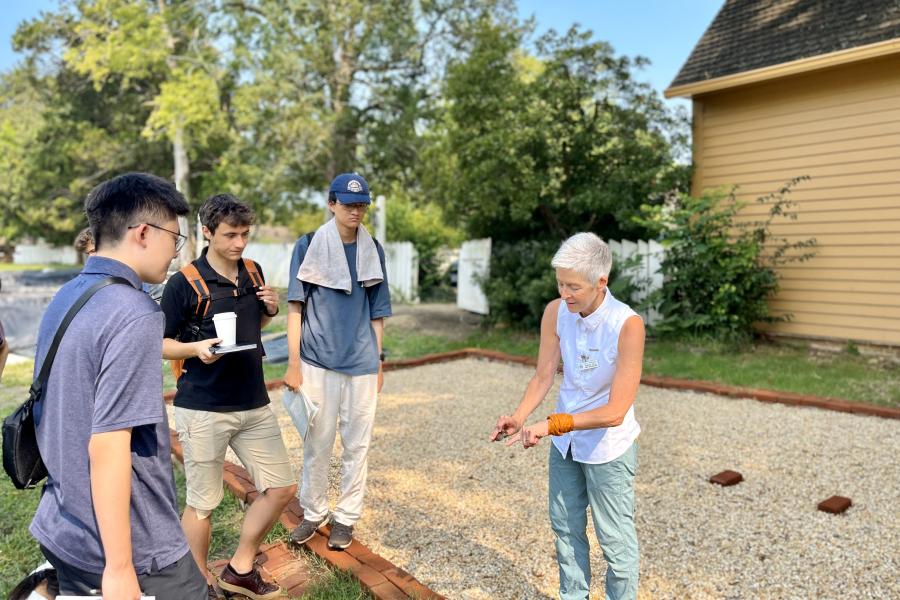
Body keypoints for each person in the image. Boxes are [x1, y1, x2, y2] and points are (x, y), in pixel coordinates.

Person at [29, 172, 208, 599]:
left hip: (64, 522)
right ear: (143, 233)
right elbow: (109, 442)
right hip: (133, 547)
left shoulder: (69, 294)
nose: (176, 253)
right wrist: (120, 568)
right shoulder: (136, 312)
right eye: (175, 239)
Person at [490, 232, 644, 600]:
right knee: (565, 528)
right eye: (560, 283)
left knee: (615, 542)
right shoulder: (556, 312)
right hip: (565, 445)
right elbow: (544, 374)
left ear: (601, 281)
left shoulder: (627, 325)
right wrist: (519, 415)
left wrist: (549, 425)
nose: (565, 294)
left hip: (608, 448)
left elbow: (615, 412)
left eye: (573, 286)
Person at [161, 194, 296, 600]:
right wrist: (193, 349)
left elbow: (254, 325)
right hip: (203, 407)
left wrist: (270, 309)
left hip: (254, 402)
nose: (240, 243)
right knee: (203, 504)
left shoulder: (253, 271)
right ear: (207, 232)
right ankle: (197, 582)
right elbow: (156, 342)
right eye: (230, 235)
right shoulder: (183, 283)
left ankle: (239, 568)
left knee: (282, 488)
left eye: (245, 234)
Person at [284, 172, 391, 550]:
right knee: (318, 442)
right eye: (348, 204)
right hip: (316, 362)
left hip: (362, 363)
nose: (355, 211)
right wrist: (293, 364)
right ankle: (313, 512)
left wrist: (379, 363)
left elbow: (377, 311)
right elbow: (295, 307)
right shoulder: (309, 244)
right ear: (332, 204)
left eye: (361, 205)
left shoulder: (373, 249)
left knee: (357, 445)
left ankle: (346, 517)